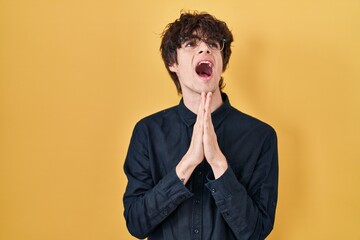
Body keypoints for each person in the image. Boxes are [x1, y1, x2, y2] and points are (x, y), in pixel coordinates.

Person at [123, 11, 278, 240]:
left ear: (222, 62)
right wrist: (188, 163)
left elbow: (255, 232)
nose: (205, 49)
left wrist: (218, 162)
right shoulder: (147, 133)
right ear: (172, 62)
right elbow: (136, 224)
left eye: (213, 44)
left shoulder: (261, 136)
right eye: (191, 44)